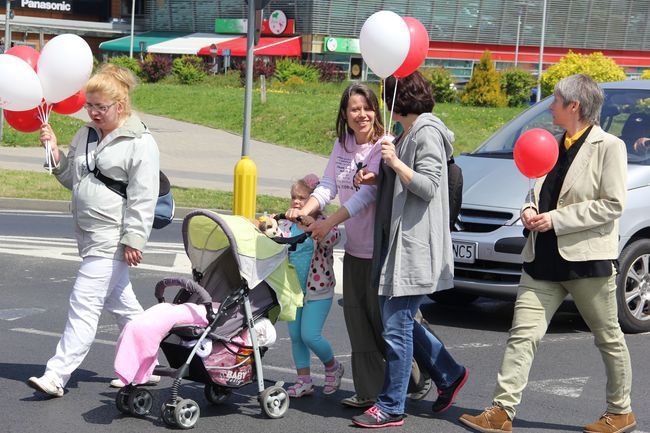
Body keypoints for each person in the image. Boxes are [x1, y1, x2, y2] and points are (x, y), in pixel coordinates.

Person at [459, 74, 636, 433]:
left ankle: (621, 412)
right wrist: (527, 209)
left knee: (609, 337)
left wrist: (555, 219)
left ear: (575, 106)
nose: (551, 106)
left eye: (556, 100)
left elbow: (612, 205)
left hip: (587, 261)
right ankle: (501, 412)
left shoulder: (609, 147)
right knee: (522, 335)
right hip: (541, 258)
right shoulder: (551, 144)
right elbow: (536, 188)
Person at [26, 64, 161, 397]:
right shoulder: (85, 134)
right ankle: (145, 365)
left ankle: (56, 375)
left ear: (121, 105)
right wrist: (55, 152)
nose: (95, 112)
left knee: (83, 303)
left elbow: (144, 196)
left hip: (111, 236)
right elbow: (74, 177)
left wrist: (134, 239)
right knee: (124, 306)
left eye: (102, 106)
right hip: (87, 234)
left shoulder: (140, 142)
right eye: (91, 105)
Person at [351, 71, 467, 428]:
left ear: (397, 101)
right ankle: (449, 373)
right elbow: (403, 180)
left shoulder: (428, 132)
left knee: (396, 326)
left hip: (415, 246)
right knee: (397, 321)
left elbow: (429, 185)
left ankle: (391, 406)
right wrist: (378, 175)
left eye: (386, 99)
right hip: (399, 244)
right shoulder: (409, 132)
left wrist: (395, 162)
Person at [286, 83, 386, 408]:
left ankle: (412, 377)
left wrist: (328, 222)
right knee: (358, 324)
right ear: (345, 113)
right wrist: (306, 209)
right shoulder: (342, 144)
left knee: (384, 324)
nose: (362, 115)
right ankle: (369, 391)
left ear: (376, 110)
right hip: (354, 248)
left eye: (367, 108)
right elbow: (328, 185)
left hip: (380, 250)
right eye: (354, 109)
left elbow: (366, 195)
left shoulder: (382, 146)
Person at [272, 174, 344, 397]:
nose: (296, 201)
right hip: (294, 290)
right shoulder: (286, 224)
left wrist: (310, 224)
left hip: (318, 290)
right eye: (293, 197)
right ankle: (304, 380)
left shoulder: (323, 223)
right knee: (295, 336)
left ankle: (333, 367)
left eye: (302, 198)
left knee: (310, 335)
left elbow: (332, 238)